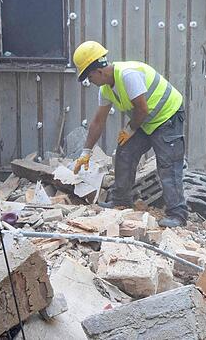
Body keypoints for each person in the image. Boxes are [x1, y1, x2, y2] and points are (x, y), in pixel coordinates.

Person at [72, 41, 189, 228]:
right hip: (145, 120)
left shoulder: (128, 76)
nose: (89, 81)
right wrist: (86, 152)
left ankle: (177, 214)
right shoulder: (106, 90)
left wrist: (130, 129)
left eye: (89, 76)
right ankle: (121, 201)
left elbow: (142, 109)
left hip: (167, 116)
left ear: (98, 71)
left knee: (168, 164)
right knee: (124, 152)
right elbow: (97, 121)